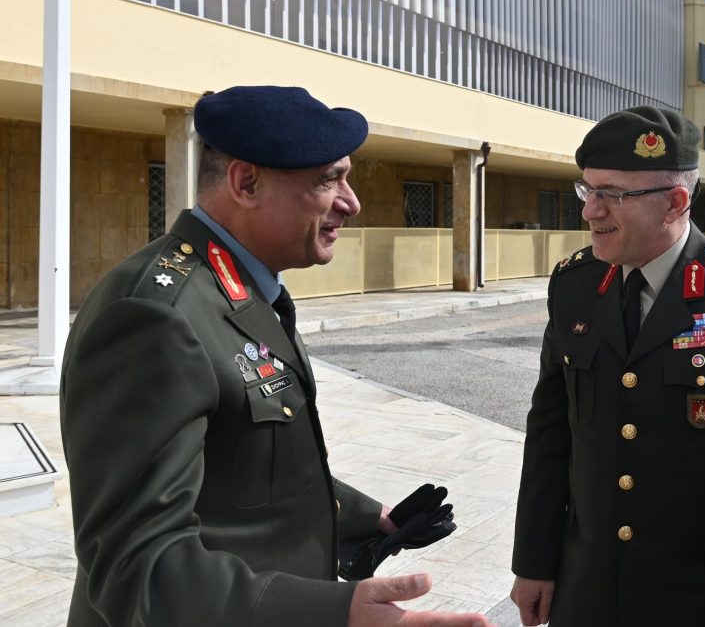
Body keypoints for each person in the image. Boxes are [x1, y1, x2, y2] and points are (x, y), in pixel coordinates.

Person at [60, 86, 490, 627]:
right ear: (246, 183)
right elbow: (137, 566)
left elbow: (247, 468)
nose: (351, 202)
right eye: (329, 179)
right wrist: (335, 614)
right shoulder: (155, 316)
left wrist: (370, 517)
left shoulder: (239, 289)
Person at [509, 107, 705, 627]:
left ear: (675, 202)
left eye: (611, 194)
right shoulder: (574, 285)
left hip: (703, 597)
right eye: (586, 189)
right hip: (588, 589)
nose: (589, 211)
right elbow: (549, 432)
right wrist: (534, 561)